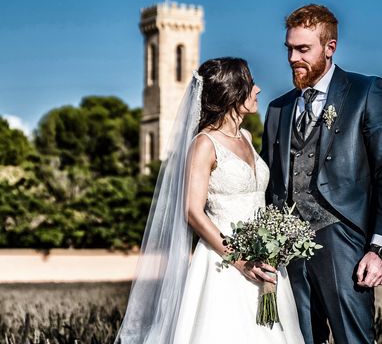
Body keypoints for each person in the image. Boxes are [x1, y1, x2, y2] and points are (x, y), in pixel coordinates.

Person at [116, 58, 304, 344]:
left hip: (265, 260)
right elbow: (192, 210)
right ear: (232, 92)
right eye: (250, 84)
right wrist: (240, 260)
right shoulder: (204, 144)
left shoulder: (247, 136)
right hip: (224, 263)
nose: (258, 89)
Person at [261, 4, 382, 344]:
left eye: (303, 49)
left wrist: (380, 248)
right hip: (287, 250)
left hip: (346, 244)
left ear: (330, 47)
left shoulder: (366, 91)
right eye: (290, 49)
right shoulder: (277, 108)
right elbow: (269, 184)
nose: (293, 57)